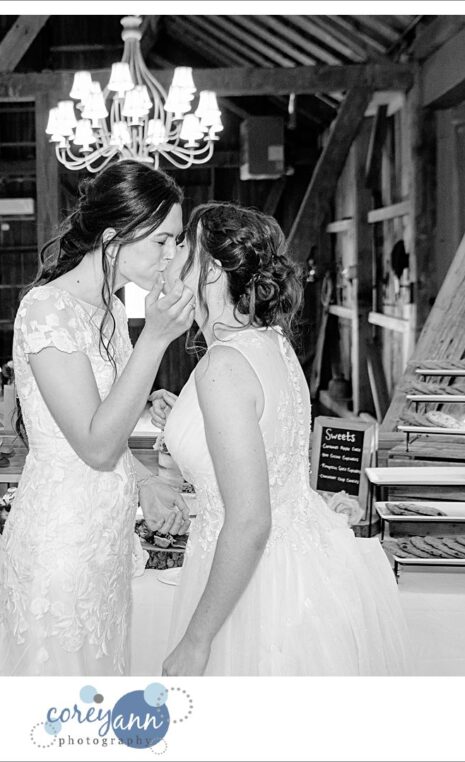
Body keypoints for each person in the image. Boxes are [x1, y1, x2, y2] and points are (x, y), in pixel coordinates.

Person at [158, 202, 408, 676]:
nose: (168, 259)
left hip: (255, 590)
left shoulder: (224, 365)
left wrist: (196, 640)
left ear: (210, 272)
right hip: (299, 571)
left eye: (181, 248)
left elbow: (251, 520)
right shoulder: (272, 342)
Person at [0, 160, 196, 676]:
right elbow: (94, 445)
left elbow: (102, 415)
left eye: (175, 241)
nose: (171, 256)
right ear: (114, 237)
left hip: (106, 541)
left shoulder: (112, 309)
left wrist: (142, 473)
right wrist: (156, 338)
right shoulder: (45, 310)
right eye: (161, 241)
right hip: (62, 545)